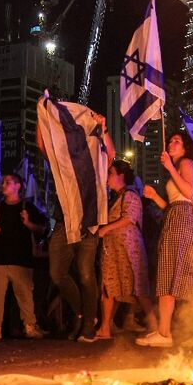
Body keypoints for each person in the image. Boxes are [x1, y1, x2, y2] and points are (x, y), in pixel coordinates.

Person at [37, 108, 115, 342]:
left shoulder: (96, 159)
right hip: (64, 222)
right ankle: (82, 312)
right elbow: (42, 146)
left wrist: (105, 128)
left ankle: (89, 324)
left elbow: (110, 155)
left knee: (85, 273)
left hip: (89, 224)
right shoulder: (63, 159)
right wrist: (42, 115)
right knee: (57, 272)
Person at [137, 132, 193, 348]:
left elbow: (188, 193)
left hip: (184, 222)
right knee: (168, 277)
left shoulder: (186, 163)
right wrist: (155, 196)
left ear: (186, 148)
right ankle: (164, 333)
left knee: (187, 280)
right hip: (175, 220)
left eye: (177, 141)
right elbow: (172, 205)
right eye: (171, 141)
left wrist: (169, 167)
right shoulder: (177, 169)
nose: (171, 143)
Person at [0, 173, 47, 341]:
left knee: (24, 295)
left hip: (21, 259)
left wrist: (28, 223)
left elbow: (42, 229)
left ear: (18, 186)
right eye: (3, 182)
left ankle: (30, 326)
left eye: (8, 182)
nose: (3, 184)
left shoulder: (27, 206)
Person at [95, 159, 157, 340]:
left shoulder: (130, 194)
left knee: (138, 287)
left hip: (129, 250)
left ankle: (155, 325)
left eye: (111, 173)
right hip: (114, 250)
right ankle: (105, 328)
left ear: (121, 176)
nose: (108, 177)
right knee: (109, 287)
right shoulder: (116, 197)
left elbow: (130, 218)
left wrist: (106, 228)